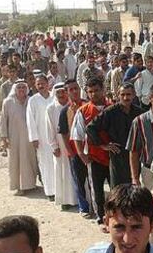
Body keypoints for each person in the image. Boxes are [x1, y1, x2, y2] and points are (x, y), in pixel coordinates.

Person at [87, 83, 144, 188]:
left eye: (128, 94)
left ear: (134, 95)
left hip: (136, 156)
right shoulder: (110, 112)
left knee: (136, 190)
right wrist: (103, 145)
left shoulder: (139, 112)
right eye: (123, 94)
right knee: (119, 191)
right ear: (118, 95)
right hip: (118, 157)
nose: (126, 97)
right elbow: (91, 128)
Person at [71, 78, 111, 225]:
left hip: (113, 158)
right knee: (97, 190)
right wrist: (82, 155)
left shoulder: (113, 107)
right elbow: (77, 135)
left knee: (115, 189)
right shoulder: (83, 111)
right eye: (90, 92)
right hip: (94, 158)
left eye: (96, 90)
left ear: (103, 90)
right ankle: (101, 216)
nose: (93, 94)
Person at [58, 79, 90, 217]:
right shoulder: (65, 111)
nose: (74, 91)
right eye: (71, 89)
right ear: (67, 92)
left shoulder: (88, 106)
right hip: (75, 152)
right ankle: (84, 207)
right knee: (79, 180)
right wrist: (70, 151)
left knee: (93, 179)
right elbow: (64, 133)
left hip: (91, 150)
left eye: (76, 88)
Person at [0, 80, 37, 195]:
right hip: (14, 138)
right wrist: (4, 137)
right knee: (16, 162)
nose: (21, 90)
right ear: (15, 89)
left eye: (23, 87)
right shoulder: (8, 102)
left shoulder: (31, 101)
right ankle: (19, 187)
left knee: (29, 161)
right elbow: (3, 121)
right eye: (19, 87)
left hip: (29, 138)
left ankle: (30, 184)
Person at [45, 83, 77, 210]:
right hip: (60, 146)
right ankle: (65, 200)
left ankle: (78, 199)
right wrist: (54, 146)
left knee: (76, 172)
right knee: (62, 172)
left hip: (74, 145)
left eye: (63, 91)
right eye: (58, 92)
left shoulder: (73, 105)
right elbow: (50, 129)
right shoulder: (51, 108)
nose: (61, 95)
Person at [26, 74, 55, 200]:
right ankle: (50, 191)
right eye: (38, 84)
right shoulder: (33, 100)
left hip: (55, 137)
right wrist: (34, 138)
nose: (41, 86)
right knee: (44, 164)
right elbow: (30, 120)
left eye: (43, 83)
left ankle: (59, 190)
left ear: (47, 84)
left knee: (57, 164)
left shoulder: (54, 97)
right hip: (41, 138)